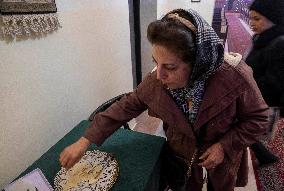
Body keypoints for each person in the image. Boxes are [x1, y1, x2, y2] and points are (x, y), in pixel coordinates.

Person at [60, 9, 269, 191]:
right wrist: (84, 140)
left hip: (223, 158)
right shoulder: (157, 81)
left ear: (197, 63)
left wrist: (224, 146)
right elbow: (125, 107)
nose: (159, 75)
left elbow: (258, 119)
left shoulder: (234, 75)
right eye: (156, 62)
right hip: (181, 157)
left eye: (170, 67)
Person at [245, 0, 284, 167]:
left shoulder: (280, 43)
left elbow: (274, 83)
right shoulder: (263, 37)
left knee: (233, 121)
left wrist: (245, 87)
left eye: (257, 19)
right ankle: (264, 155)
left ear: (273, 19)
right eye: (250, 18)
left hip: (263, 99)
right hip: (253, 93)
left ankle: (264, 155)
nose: (251, 23)